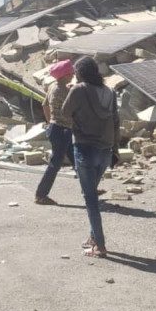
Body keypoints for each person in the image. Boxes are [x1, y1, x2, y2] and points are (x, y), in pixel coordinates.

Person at [62, 56, 120, 258]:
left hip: (85, 148)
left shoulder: (79, 90)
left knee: (90, 199)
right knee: (92, 194)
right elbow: (116, 122)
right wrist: (115, 150)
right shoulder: (110, 92)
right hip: (105, 150)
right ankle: (93, 237)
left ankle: (100, 246)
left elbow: (65, 112)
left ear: (81, 73)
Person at [35, 59, 75, 205]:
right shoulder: (64, 90)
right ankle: (41, 194)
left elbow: (44, 104)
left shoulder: (52, 87)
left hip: (55, 127)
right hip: (63, 130)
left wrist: (50, 121)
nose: (73, 75)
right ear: (65, 75)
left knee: (77, 160)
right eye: (71, 72)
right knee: (55, 163)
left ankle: (90, 188)